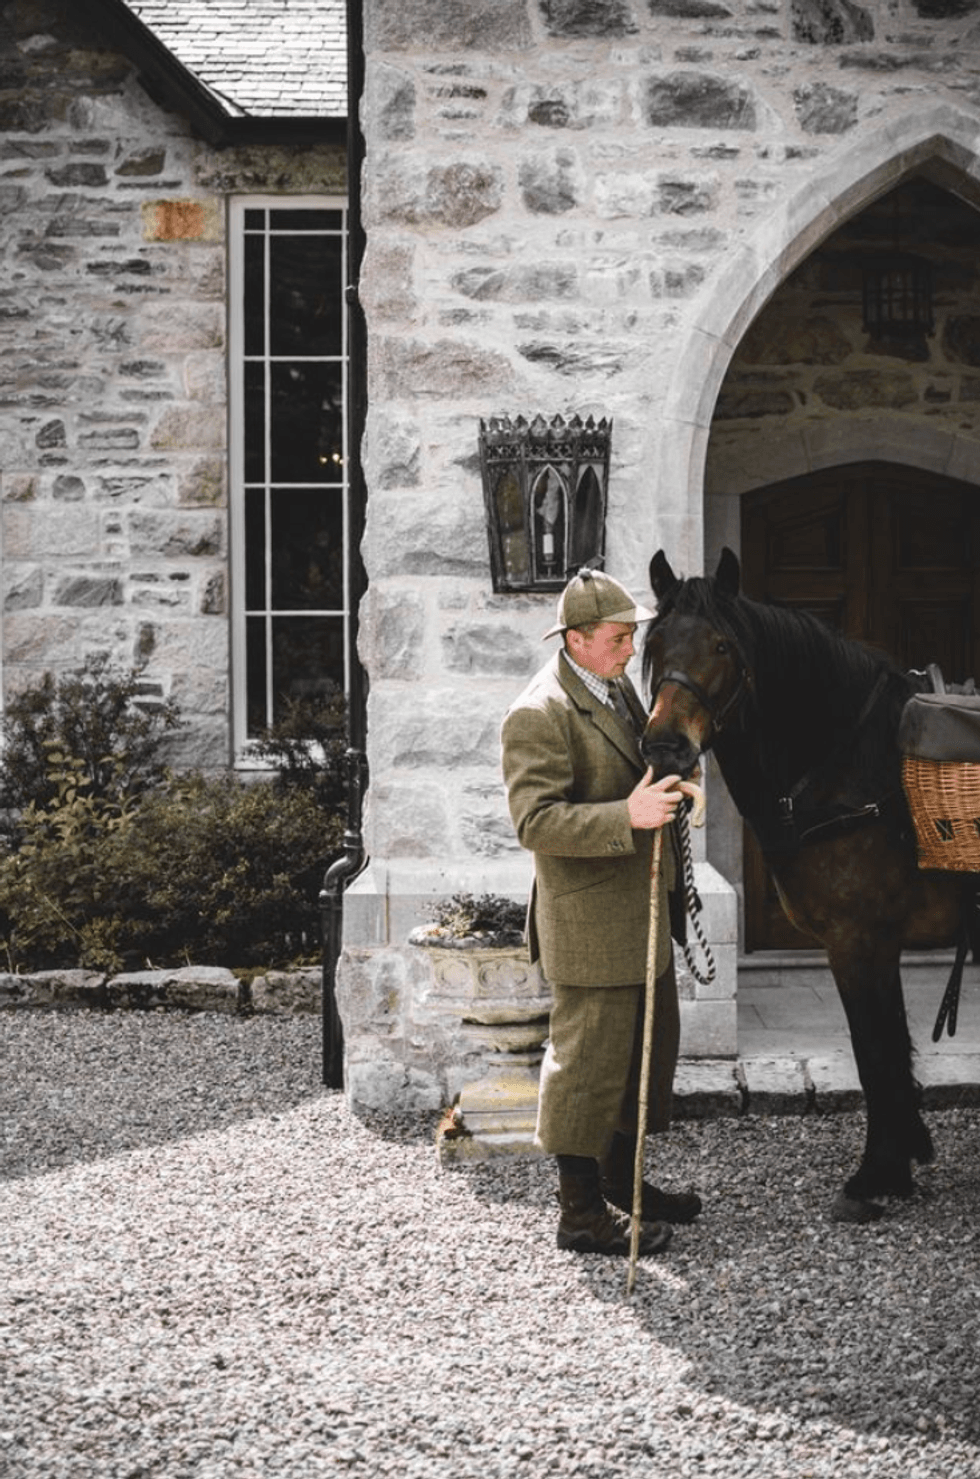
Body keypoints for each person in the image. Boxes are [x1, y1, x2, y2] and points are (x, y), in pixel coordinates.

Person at [500, 567, 703, 1256]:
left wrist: (680, 780)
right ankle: (580, 1212)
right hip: (591, 922)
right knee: (585, 1067)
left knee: (645, 1055)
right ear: (578, 639)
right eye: (619, 637)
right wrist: (630, 814)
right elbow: (535, 821)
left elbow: (642, 762)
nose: (629, 648)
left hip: (642, 908)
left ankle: (623, 1185)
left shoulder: (613, 685)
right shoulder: (539, 711)